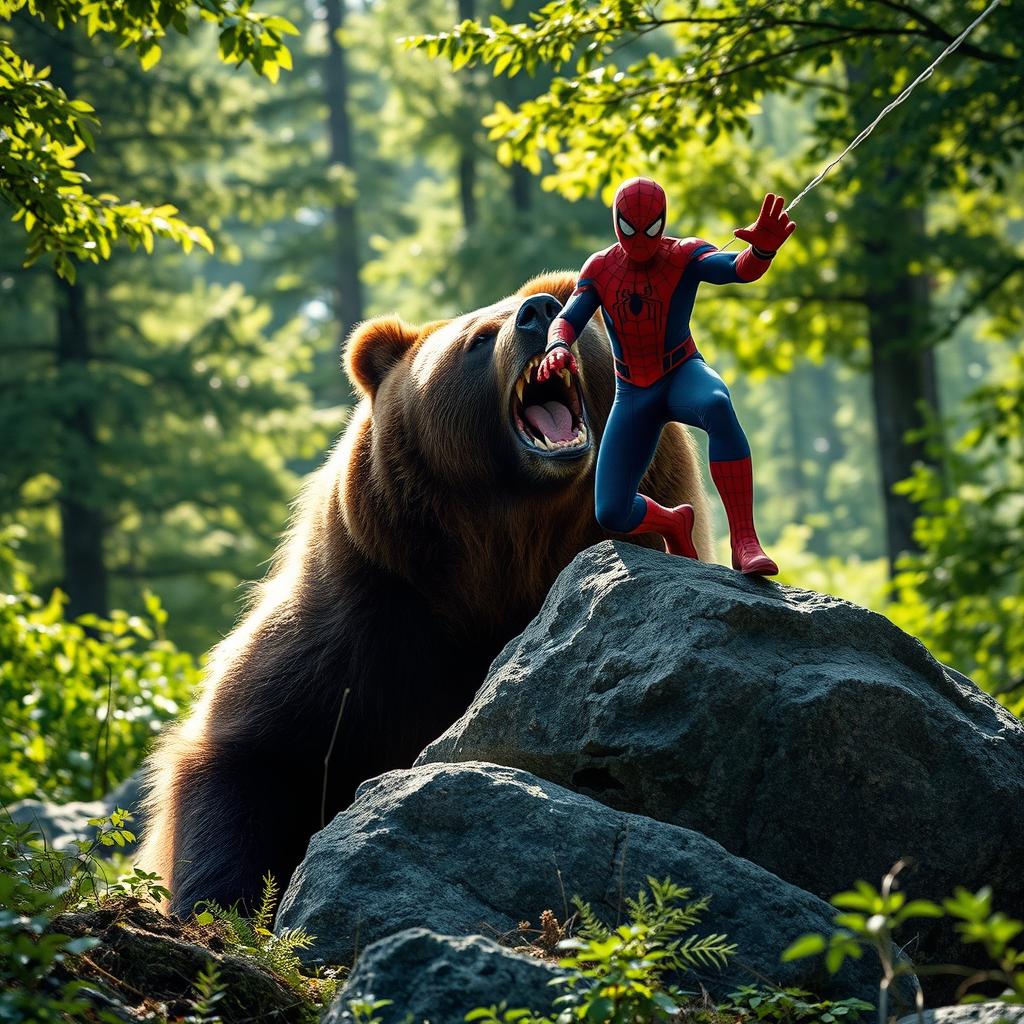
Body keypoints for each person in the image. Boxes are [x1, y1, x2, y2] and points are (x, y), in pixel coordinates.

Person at [539, 177, 795, 575]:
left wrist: (761, 249)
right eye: (629, 229)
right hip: (633, 392)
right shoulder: (601, 269)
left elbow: (737, 269)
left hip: (681, 373)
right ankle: (673, 522)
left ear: (663, 221)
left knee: (717, 403)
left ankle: (745, 540)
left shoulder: (684, 255)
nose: (639, 239)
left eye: (650, 228)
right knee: (612, 511)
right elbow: (567, 319)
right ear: (615, 222)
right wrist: (557, 346)